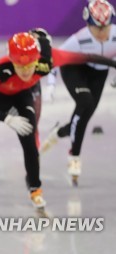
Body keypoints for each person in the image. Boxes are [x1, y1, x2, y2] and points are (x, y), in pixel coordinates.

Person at [0, 30, 116, 216]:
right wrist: (7, 118)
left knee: (30, 143)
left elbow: (88, 57)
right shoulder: (2, 68)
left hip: (21, 97)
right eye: (20, 66)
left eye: (30, 65)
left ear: (38, 59)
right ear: (12, 61)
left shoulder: (49, 60)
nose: (26, 71)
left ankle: (35, 189)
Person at [41, 0, 116, 186]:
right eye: (97, 28)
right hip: (74, 70)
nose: (102, 33)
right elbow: (54, 59)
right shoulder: (78, 40)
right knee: (86, 103)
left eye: (105, 27)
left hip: (99, 72)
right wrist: (50, 85)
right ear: (88, 24)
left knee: (83, 117)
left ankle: (59, 133)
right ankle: (74, 156)